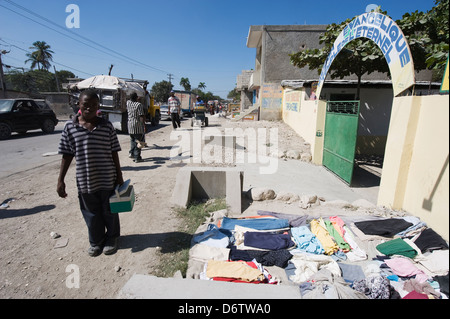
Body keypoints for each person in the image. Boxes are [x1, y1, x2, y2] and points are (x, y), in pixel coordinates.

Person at [57, 89, 124, 257]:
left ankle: (112, 238)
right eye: (86, 105)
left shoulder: (106, 126)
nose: (90, 108)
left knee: (110, 210)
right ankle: (96, 241)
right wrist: (60, 180)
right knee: (91, 213)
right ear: (78, 105)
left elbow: (114, 151)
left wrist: (119, 174)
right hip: (86, 180)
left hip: (107, 178)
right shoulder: (70, 127)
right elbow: (66, 155)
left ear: (98, 106)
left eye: (94, 105)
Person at [127, 92, 146, 163]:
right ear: (136, 97)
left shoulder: (128, 103)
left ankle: (131, 153)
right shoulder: (139, 105)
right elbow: (141, 115)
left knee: (132, 140)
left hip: (129, 125)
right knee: (139, 142)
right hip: (137, 125)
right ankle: (137, 157)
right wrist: (143, 125)